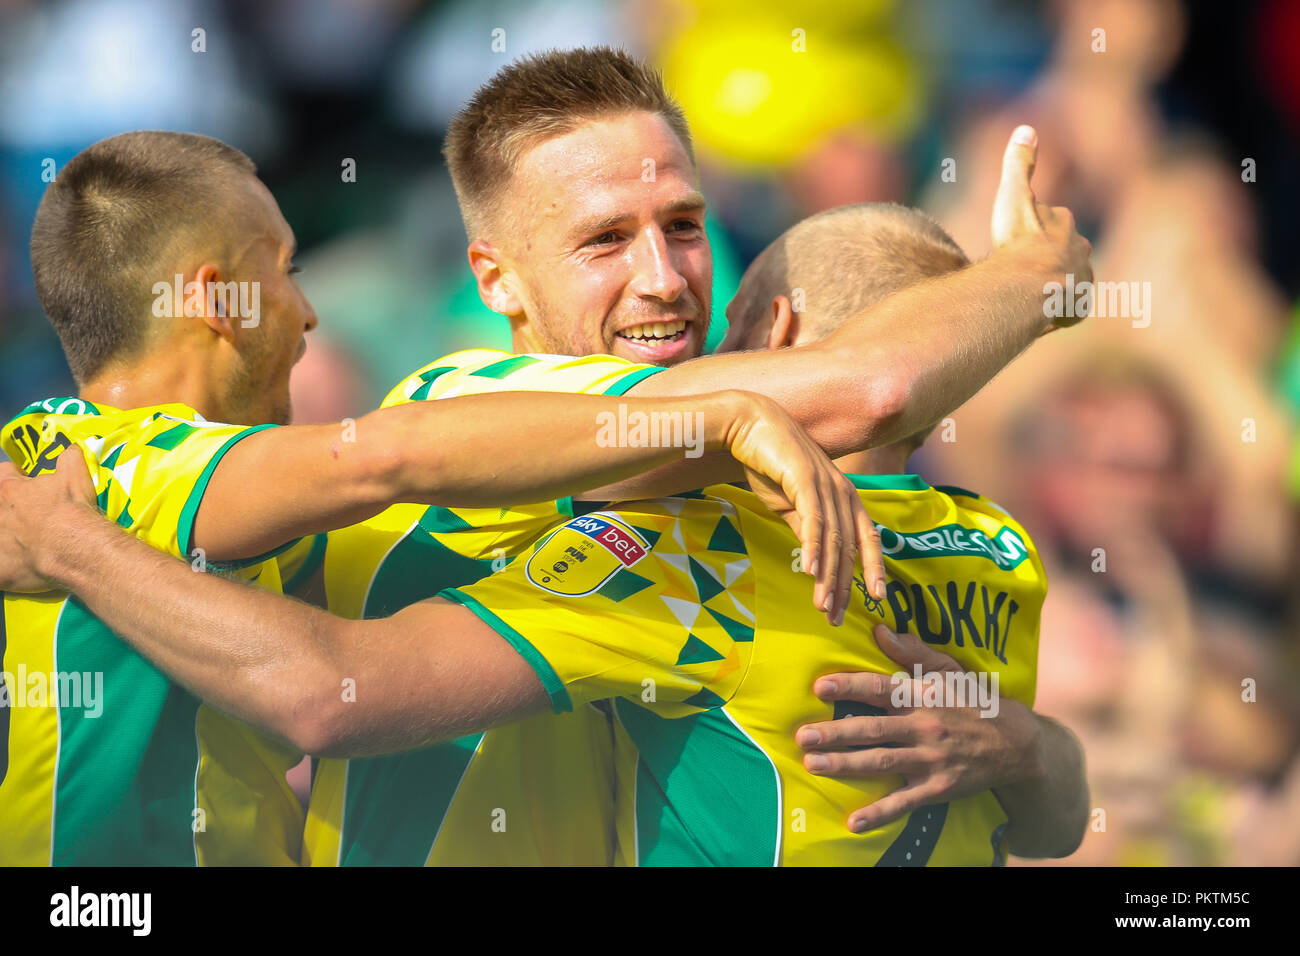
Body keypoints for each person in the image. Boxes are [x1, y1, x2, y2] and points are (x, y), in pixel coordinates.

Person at [0, 203, 1089, 864]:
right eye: (608, 239)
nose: (666, 281)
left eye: (685, 229)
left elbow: (323, 687)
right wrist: (1035, 746)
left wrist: (77, 547)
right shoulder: (997, 544)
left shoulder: (689, 550)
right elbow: (1052, 818)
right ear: (496, 278)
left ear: (778, 334)